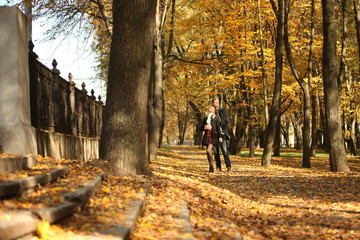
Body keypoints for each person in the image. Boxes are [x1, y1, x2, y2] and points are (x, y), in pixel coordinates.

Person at [212, 97, 232, 172]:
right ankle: (218, 167)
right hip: (214, 135)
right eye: (215, 102)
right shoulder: (211, 112)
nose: (216, 103)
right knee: (216, 152)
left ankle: (228, 166)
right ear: (212, 103)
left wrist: (224, 131)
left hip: (222, 134)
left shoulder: (223, 111)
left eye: (217, 102)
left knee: (225, 151)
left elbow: (228, 122)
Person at [202, 105, 223, 172]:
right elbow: (200, 127)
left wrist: (220, 136)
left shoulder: (216, 118)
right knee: (207, 152)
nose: (210, 109)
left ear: (214, 110)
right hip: (207, 136)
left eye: (212, 108)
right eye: (209, 108)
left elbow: (218, 128)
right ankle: (210, 166)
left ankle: (211, 165)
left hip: (213, 136)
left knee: (209, 150)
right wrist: (204, 127)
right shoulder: (206, 118)